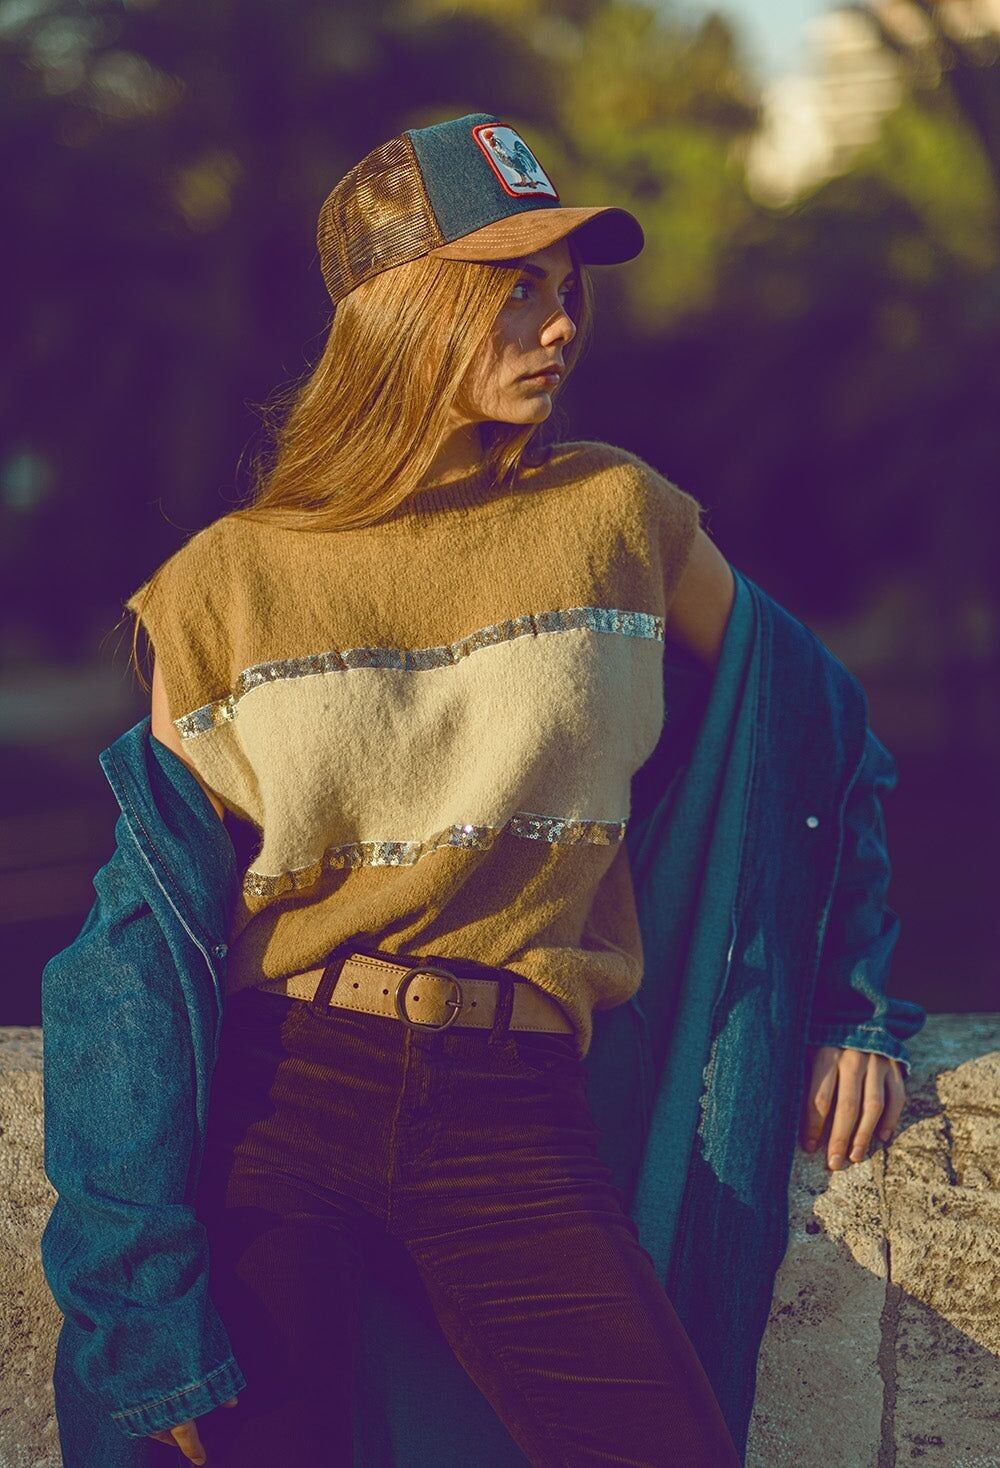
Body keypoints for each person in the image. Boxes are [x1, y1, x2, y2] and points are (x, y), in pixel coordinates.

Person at [39, 111, 923, 1468]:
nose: (560, 327)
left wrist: (850, 1004)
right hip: (286, 1107)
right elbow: (138, 954)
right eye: (516, 289)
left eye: (566, 294)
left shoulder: (620, 519)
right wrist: (145, 1312)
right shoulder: (225, 580)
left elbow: (816, 736)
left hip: (513, 1110)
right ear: (403, 315)